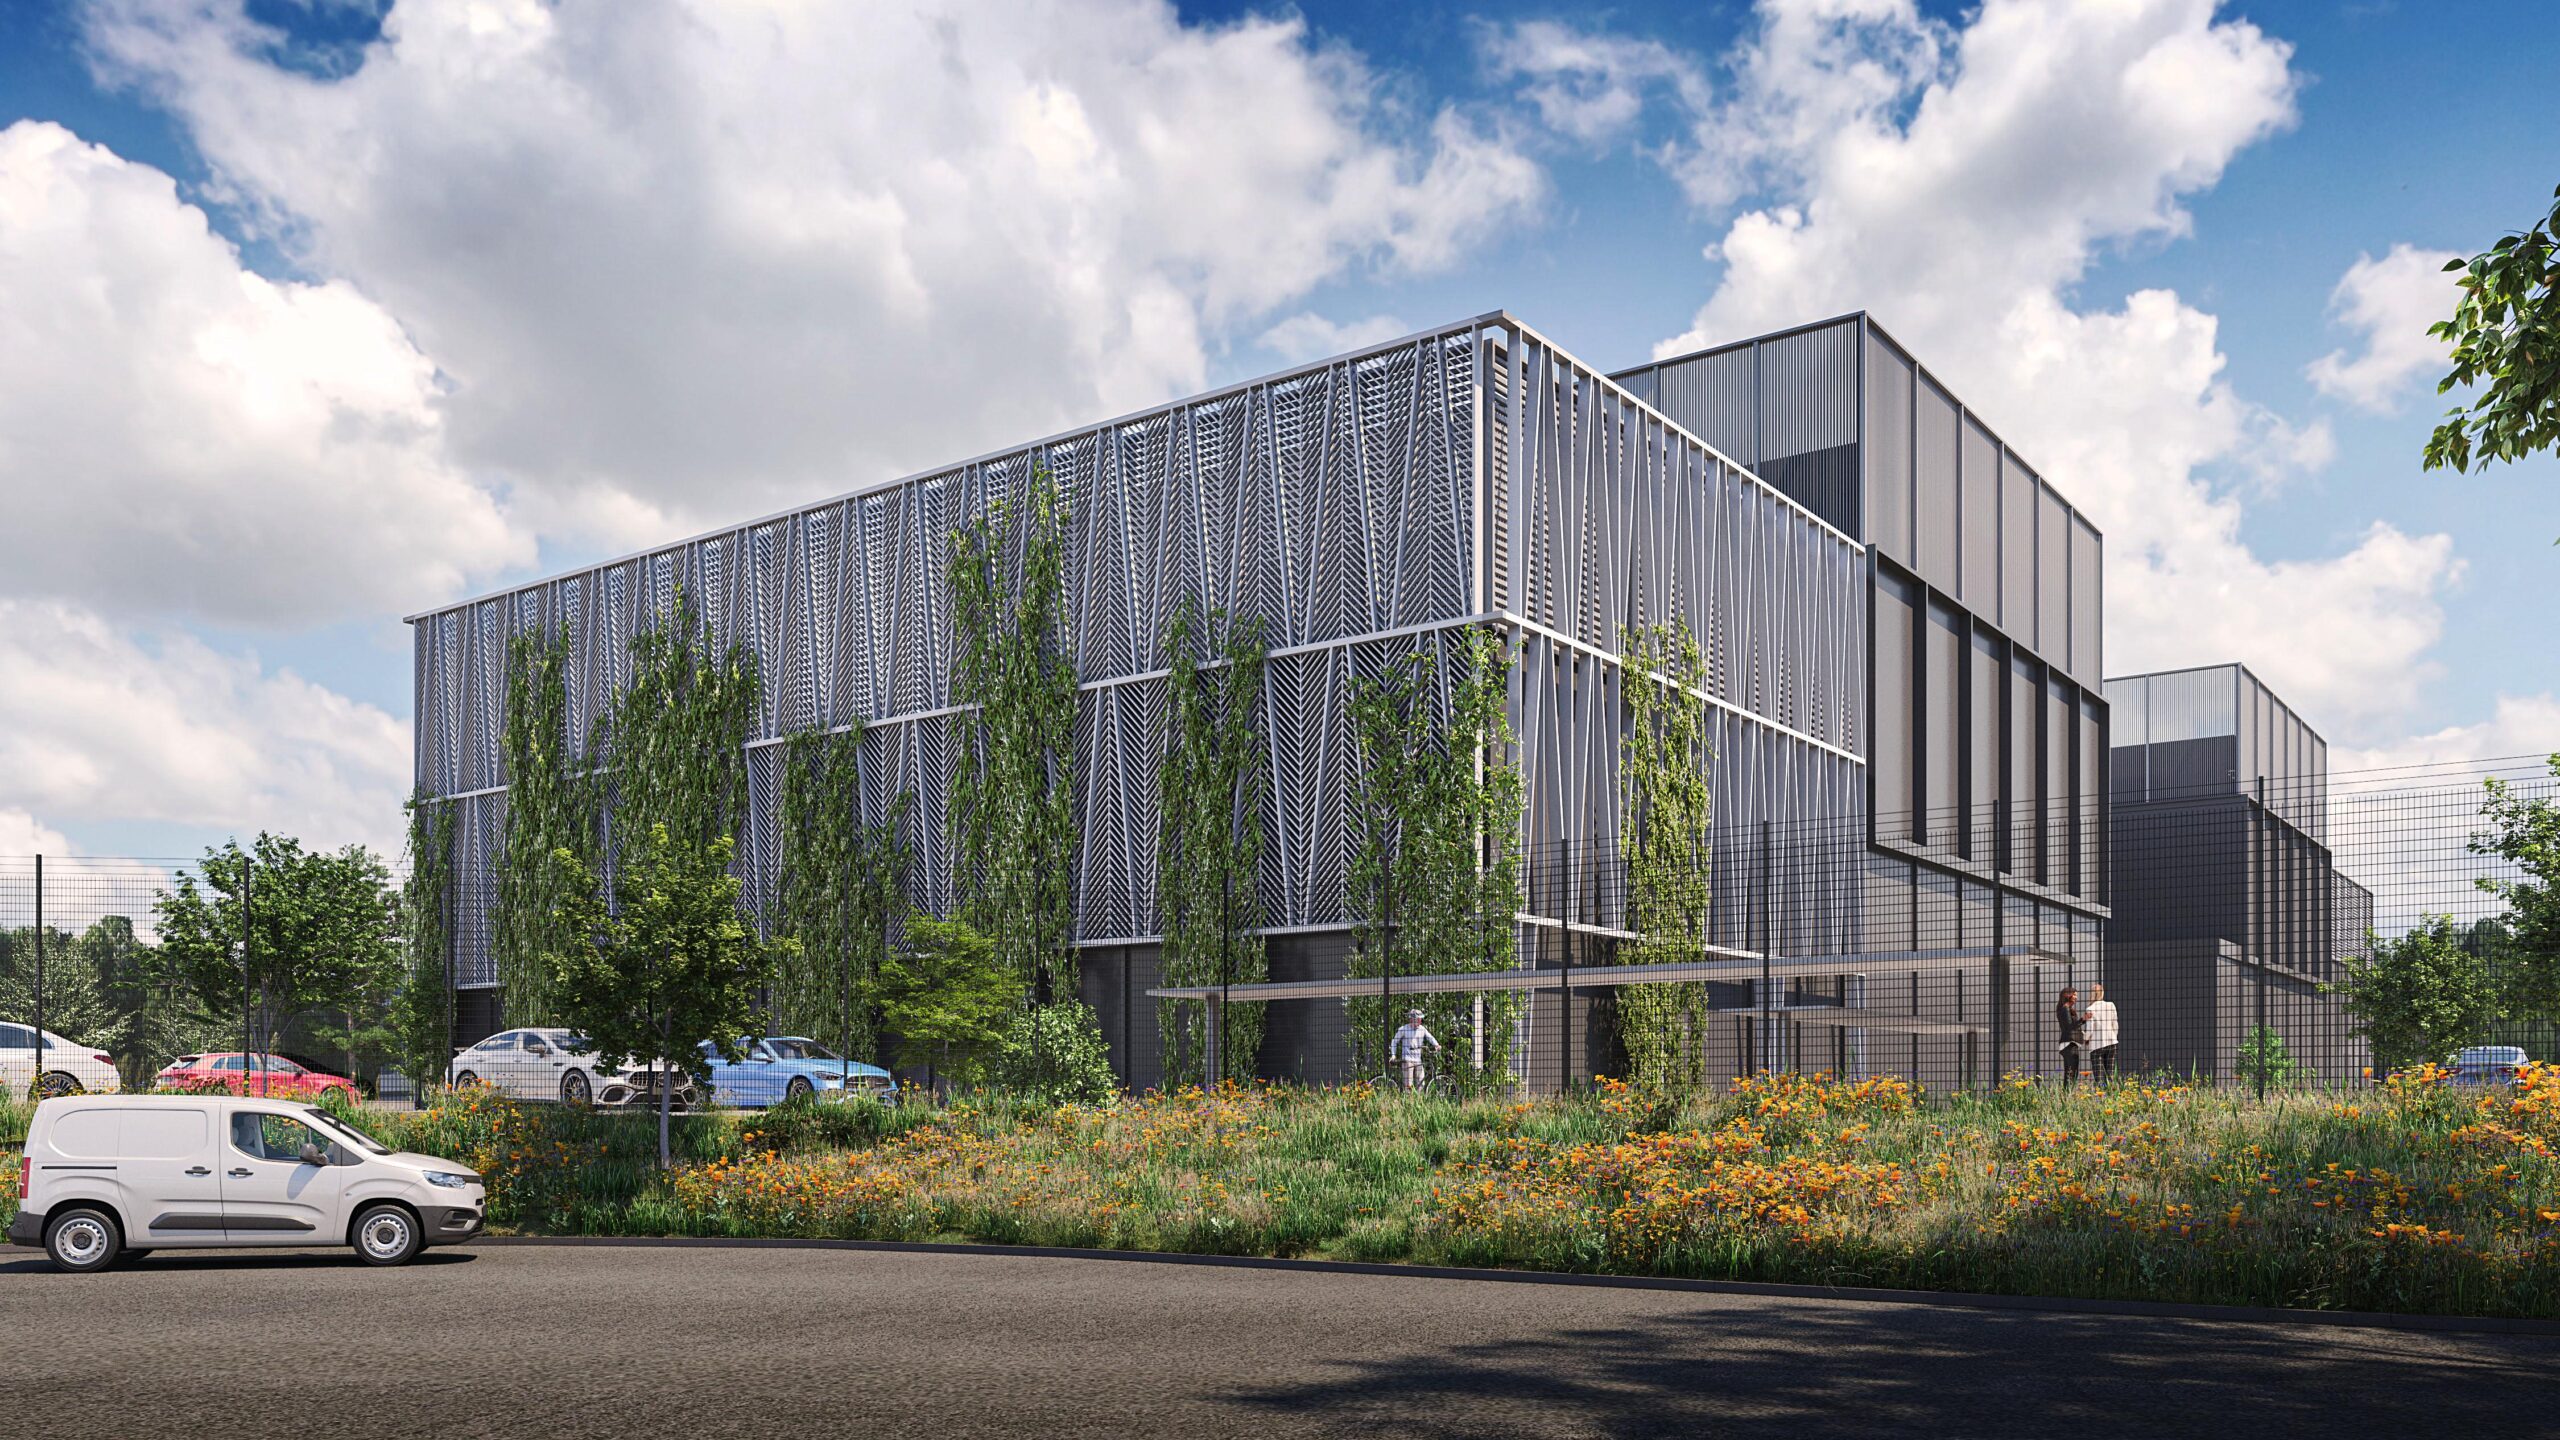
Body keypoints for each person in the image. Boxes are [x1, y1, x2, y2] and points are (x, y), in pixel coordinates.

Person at [1388, 1009, 1440, 1090]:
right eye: (1418, 1019)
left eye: (1420, 1019)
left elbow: (1430, 1037)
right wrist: (1393, 1055)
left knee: (1421, 1084)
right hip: (1407, 1060)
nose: (1420, 1021)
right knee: (1408, 1086)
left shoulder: (1422, 1029)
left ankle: (1418, 1102)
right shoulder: (1403, 1029)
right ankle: (1408, 1101)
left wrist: (1436, 1045)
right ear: (1412, 1019)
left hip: (1418, 1060)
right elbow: (1394, 1042)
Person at [2081, 983, 2120, 1084]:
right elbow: (2115, 1025)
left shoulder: (2090, 1009)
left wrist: (2085, 1038)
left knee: (2098, 1075)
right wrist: (2113, 1037)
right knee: (2110, 1074)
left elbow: (2090, 1030)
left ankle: (2101, 1096)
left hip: (2096, 1045)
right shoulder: (2111, 1005)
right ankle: (2112, 1095)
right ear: (2102, 993)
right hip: (2111, 1043)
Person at [2054, 986, 2087, 1089]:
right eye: (2074, 995)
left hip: (2069, 1045)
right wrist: (2083, 1019)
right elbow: (2069, 1027)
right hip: (2069, 1045)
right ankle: (2067, 1095)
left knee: (2070, 1073)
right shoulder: (2065, 1008)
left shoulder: (2066, 1008)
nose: (2076, 997)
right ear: (2067, 995)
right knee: (2072, 1073)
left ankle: (2067, 1095)